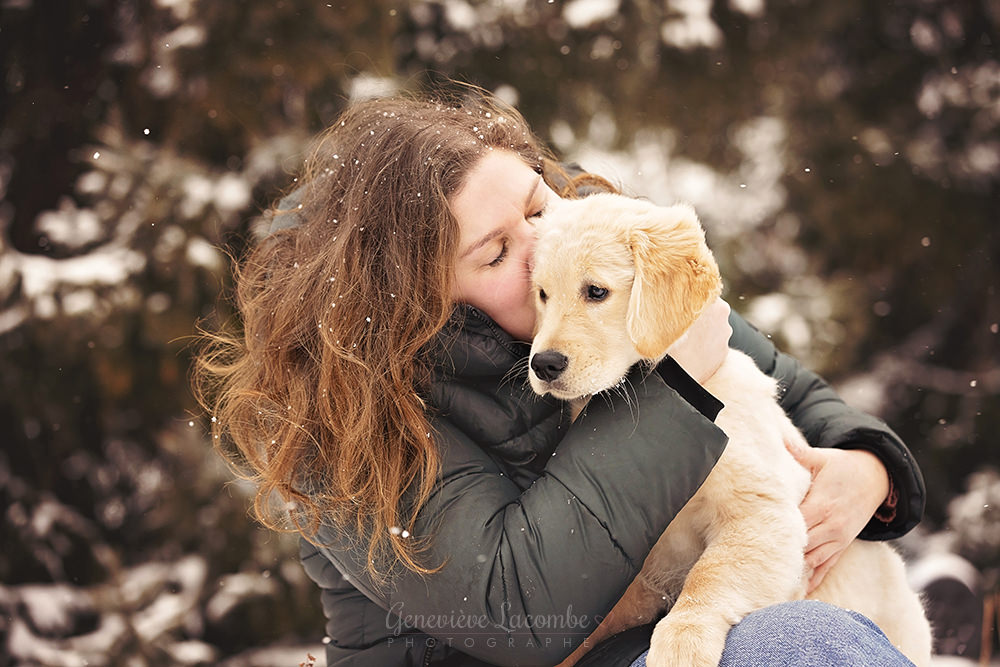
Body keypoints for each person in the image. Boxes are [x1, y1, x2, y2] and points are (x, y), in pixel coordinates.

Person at [193, 85, 925, 667]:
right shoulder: (339, 420)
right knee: (802, 646)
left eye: (537, 203)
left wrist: (870, 469)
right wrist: (678, 391)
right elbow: (518, 606)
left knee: (810, 636)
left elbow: (786, 392)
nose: (544, 241)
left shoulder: (595, 267)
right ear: (419, 299)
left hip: (653, 638)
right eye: (496, 250)